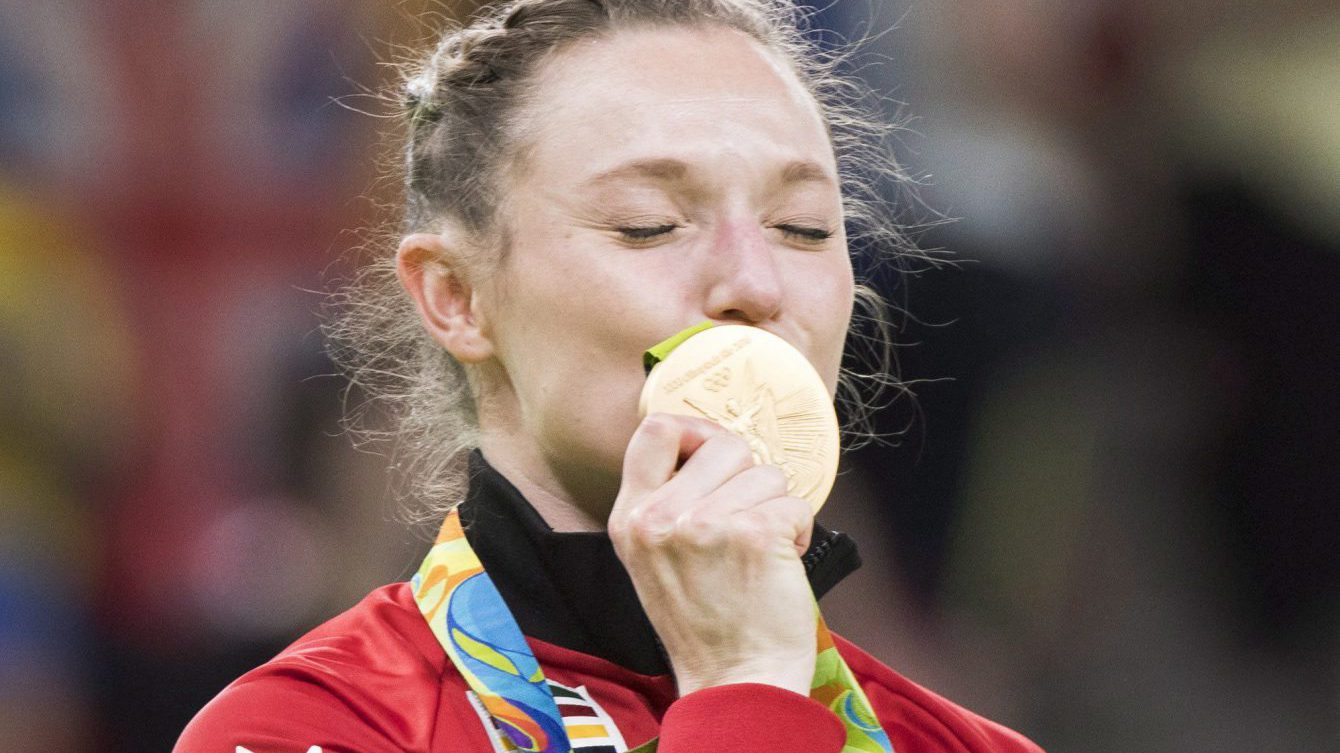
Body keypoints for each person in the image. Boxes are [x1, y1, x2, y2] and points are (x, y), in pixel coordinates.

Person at [175, 1, 1044, 751]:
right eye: (649, 224)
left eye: (805, 226)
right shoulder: (309, 728)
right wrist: (744, 691)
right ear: (457, 297)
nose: (754, 282)